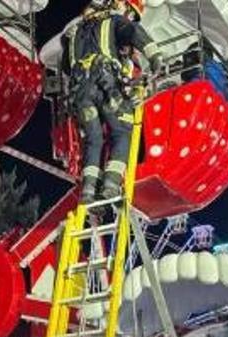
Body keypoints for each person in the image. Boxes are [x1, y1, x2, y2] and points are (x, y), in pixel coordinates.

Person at [61, 0, 163, 205]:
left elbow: (66, 67)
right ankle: (111, 185)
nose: (130, 17)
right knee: (122, 132)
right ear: (120, 5)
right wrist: (155, 57)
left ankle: (89, 189)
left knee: (94, 139)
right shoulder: (114, 22)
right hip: (107, 88)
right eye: (131, 12)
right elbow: (134, 31)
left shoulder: (74, 35)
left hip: (80, 95)